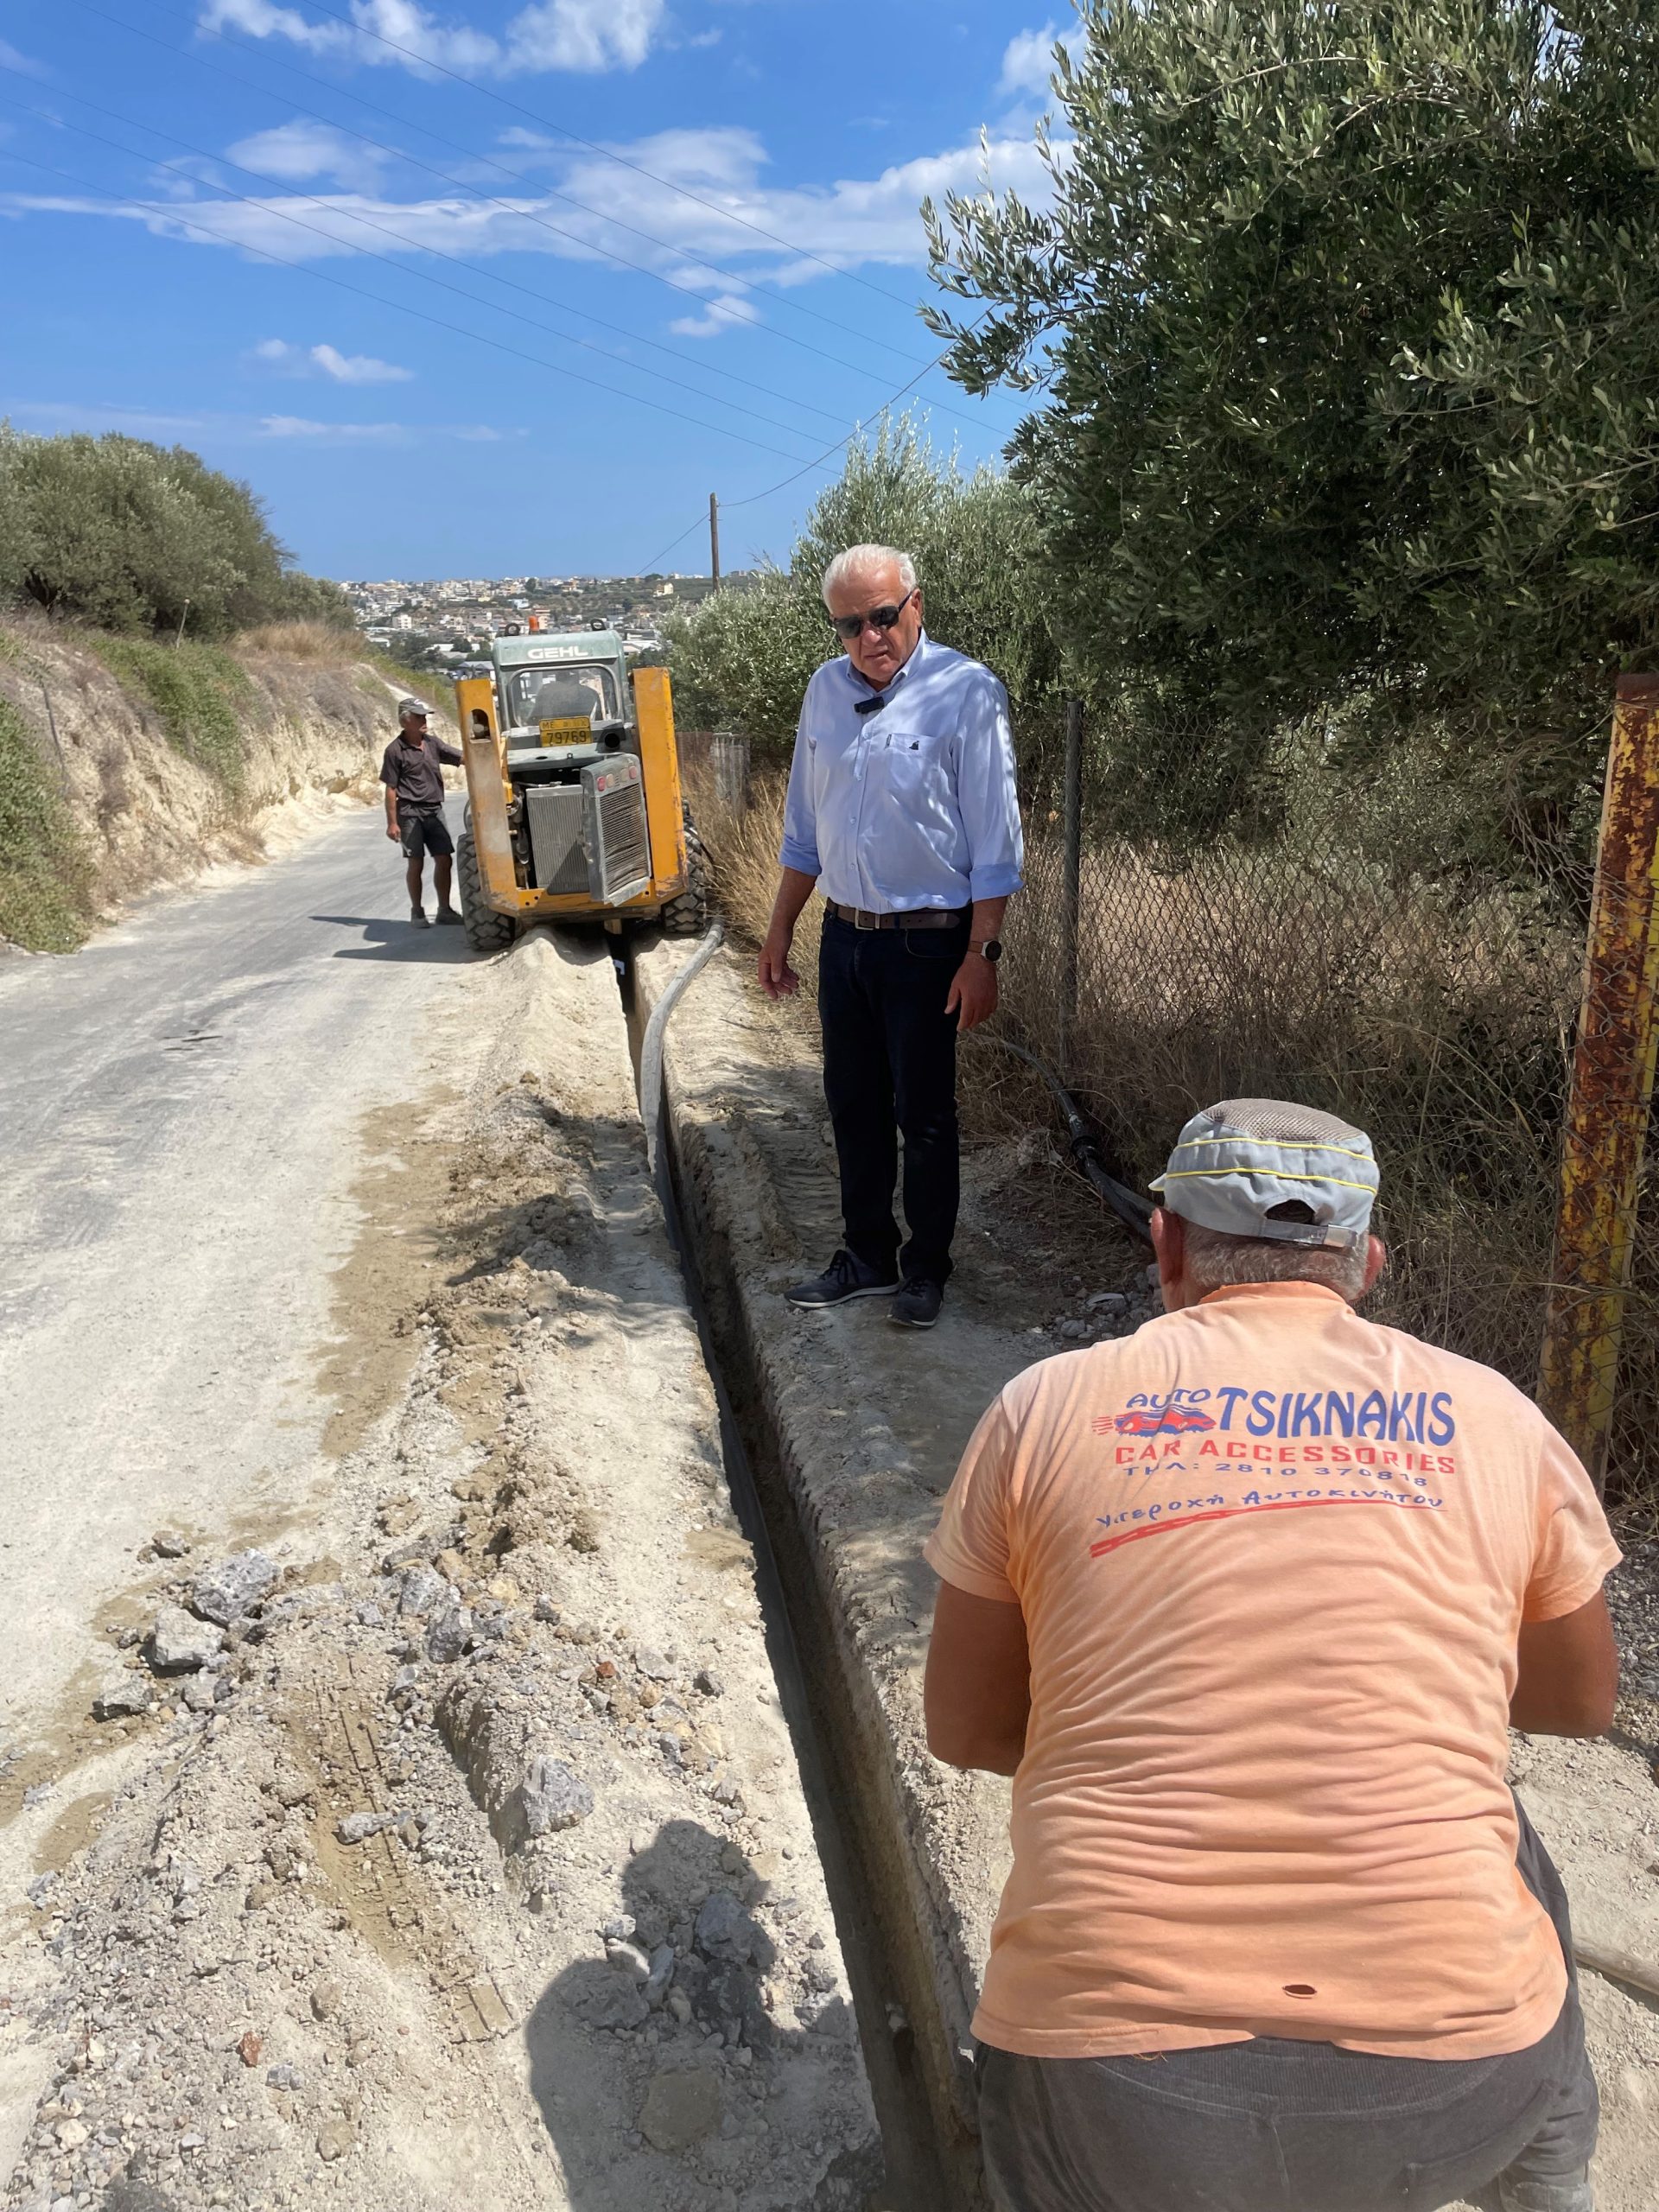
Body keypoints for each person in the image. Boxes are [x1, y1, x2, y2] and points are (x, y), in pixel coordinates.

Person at [923, 1097, 1620, 2212]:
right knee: (1502, 1834)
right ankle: (1553, 2180)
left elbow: (964, 1730)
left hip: (1118, 2111)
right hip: (1458, 2101)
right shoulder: (1497, 1418)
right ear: (1368, 1263)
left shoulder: (1040, 1410)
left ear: (1166, 1248)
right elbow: (1581, 1702)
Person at [759, 545, 1023, 1332]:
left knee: (926, 1115)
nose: (870, 636)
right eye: (850, 624)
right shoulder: (823, 691)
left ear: (915, 605)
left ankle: (926, 1269)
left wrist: (982, 956)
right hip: (844, 938)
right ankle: (866, 1256)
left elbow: (996, 846)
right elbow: (804, 830)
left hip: (928, 946)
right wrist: (780, 929)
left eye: (883, 615)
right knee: (852, 1105)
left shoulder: (966, 693)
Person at [381, 698, 463, 927]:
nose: (424, 720)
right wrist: (392, 823)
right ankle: (417, 912)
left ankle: (444, 910)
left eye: (425, 716)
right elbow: (390, 788)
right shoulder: (395, 751)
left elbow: (460, 757)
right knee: (416, 863)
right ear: (406, 720)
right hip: (409, 813)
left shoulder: (432, 743)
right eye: (419, 717)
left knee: (444, 859)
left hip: (434, 811)